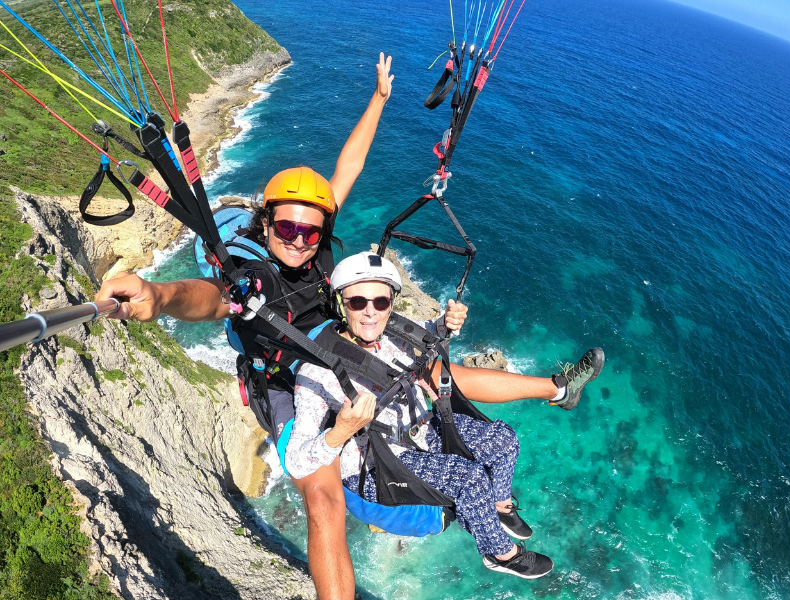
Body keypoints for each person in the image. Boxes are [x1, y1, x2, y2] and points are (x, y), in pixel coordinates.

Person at [95, 56, 601, 597]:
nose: (298, 239)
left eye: (310, 232)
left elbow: (348, 170)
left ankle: (556, 388)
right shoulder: (254, 277)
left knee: (436, 372)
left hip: (338, 340)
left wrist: (379, 99)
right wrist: (158, 295)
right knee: (324, 499)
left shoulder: (315, 249)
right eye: (286, 227)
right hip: (287, 377)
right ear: (265, 223)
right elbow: (213, 301)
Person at [285, 252, 605, 579]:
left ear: (391, 304)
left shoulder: (392, 334)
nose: (370, 312)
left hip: (419, 429)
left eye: (380, 302)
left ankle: (500, 505)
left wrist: (447, 323)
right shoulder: (318, 374)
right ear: (341, 303)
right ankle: (500, 554)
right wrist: (340, 431)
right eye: (357, 302)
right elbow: (296, 462)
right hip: (378, 463)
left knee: (504, 441)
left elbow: (428, 333)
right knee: (470, 479)